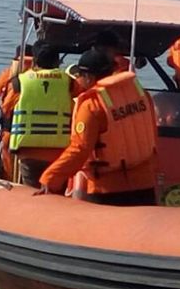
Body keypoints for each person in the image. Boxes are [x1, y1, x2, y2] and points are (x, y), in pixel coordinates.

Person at [38, 49, 158, 206]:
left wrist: (50, 178)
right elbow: (152, 133)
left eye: (80, 75)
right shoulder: (140, 94)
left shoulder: (92, 105)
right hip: (146, 184)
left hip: (107, 190)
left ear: (89, 77)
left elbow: (80, 149)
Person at [8, 44, 76, 186]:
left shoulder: (20, 81)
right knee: (57, 190)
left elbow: (6, 108)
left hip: (28, 150)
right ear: (57, 62)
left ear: (34, 61)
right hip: (59, 151)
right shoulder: (69, 82)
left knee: (31, 190)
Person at [0, 43, 39, 179]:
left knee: (8, 163)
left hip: (10, 131)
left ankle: (9, 180)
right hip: (36, 132)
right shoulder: (38, 75)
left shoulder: (10, 75)